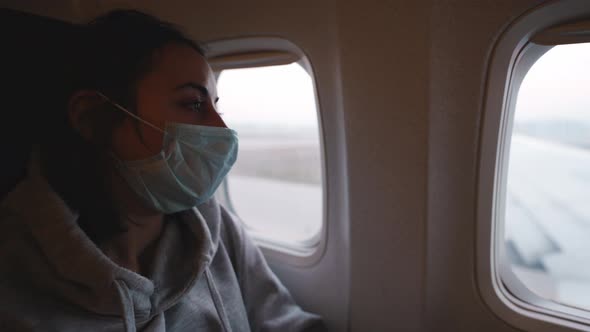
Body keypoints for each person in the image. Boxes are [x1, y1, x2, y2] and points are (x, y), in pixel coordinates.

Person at [0, 9, 325, 332]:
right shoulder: (15, 273)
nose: (222, 128)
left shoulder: (219, 229)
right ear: (91, 118)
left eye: (216, 104)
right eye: (193, 104)